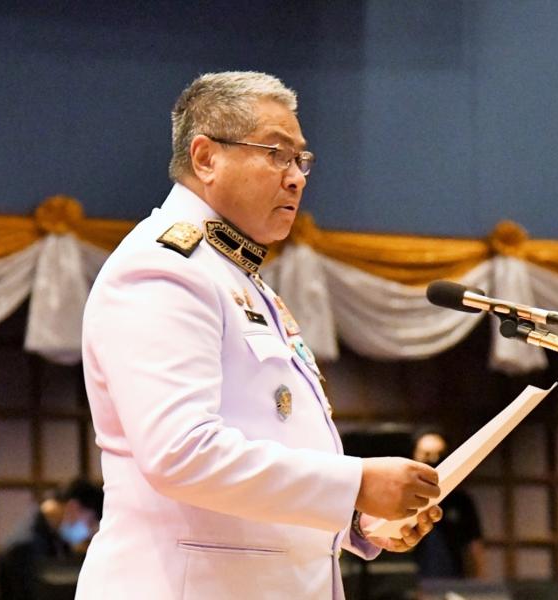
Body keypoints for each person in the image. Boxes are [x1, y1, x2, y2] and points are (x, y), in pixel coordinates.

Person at [77, 71, 443, 599]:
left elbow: (273, 444)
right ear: (206, 158)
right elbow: (181, 453)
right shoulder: (164, 269)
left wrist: (357, 518)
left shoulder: (234, 274)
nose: (296, 178)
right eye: (276, 154)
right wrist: (356, 484)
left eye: (301, 160)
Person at [0, 477, 103, 600]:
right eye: (90, 522)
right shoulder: (23, 547)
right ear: (73, 507)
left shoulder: (56, 536)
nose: (89, 533)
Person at [411, 427, 486, 579]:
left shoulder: (461, 500)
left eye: (439, 455)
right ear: (414, 456)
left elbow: (475, 545)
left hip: (455, 580)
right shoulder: (406, 499)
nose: (433, 460)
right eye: (426, 454)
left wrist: (479, 582)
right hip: (413, 581)